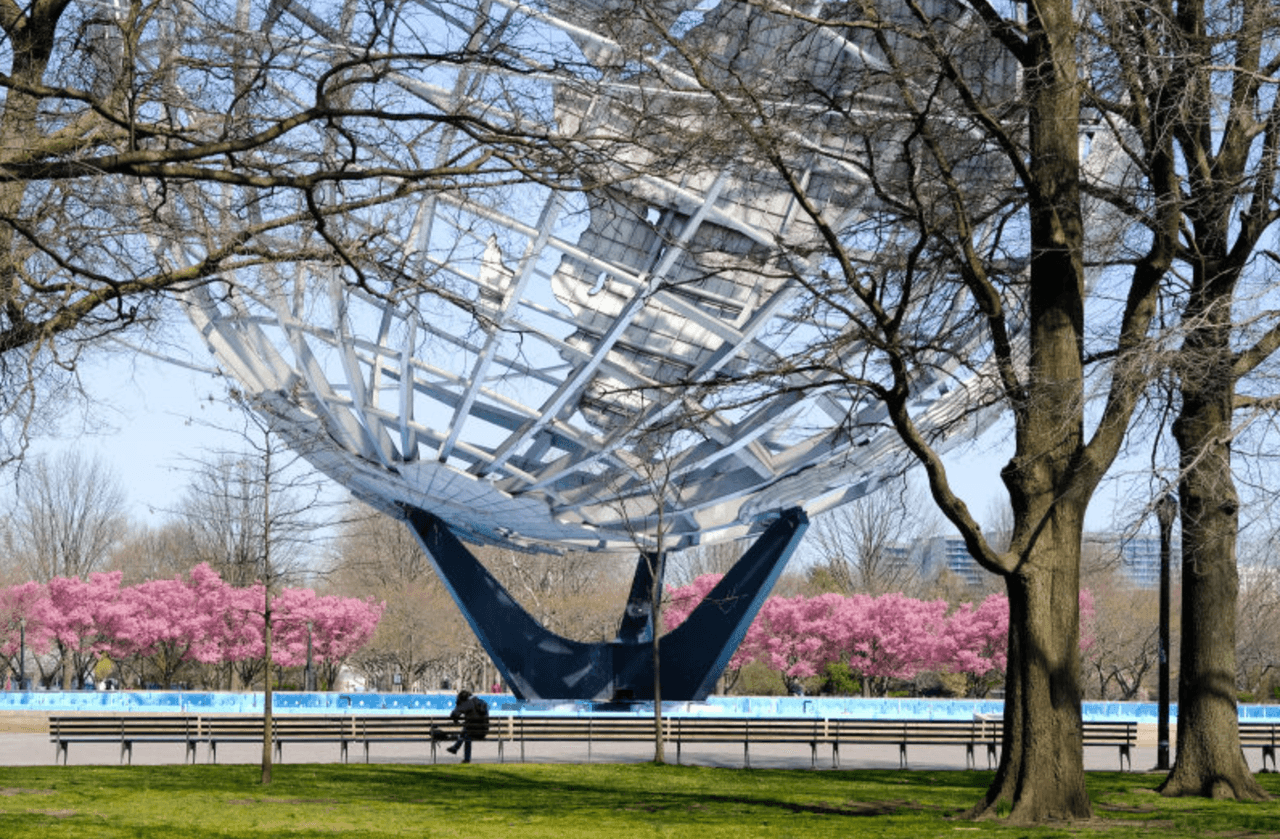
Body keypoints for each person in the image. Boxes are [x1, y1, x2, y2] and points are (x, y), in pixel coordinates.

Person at [446, 689, 489, 762]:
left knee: (467, 732)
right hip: (483, 732)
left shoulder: (467, 703)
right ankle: (455, 748)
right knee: (467, 729)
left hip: (471, 733)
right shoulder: (481, 702)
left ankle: (465, 757)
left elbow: (454, 714)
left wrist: (458, 706)